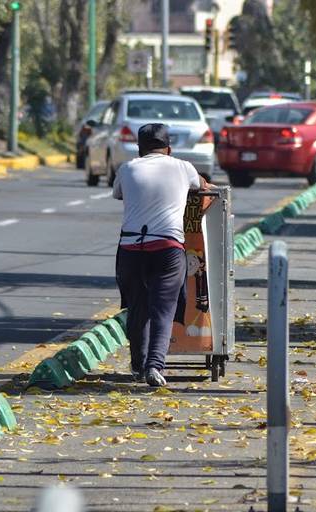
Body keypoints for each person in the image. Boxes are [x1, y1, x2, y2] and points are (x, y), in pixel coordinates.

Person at [113, 123, 206, 386]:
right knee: (163, 310)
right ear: (169, 148)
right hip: (167, 249)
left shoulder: (128, 168)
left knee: (137, 308)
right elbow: (201, 186)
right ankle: (155, 366)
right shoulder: (183, 167)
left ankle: (137, 365)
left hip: (131, 249)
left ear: (140, 149)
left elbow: (118, 193)